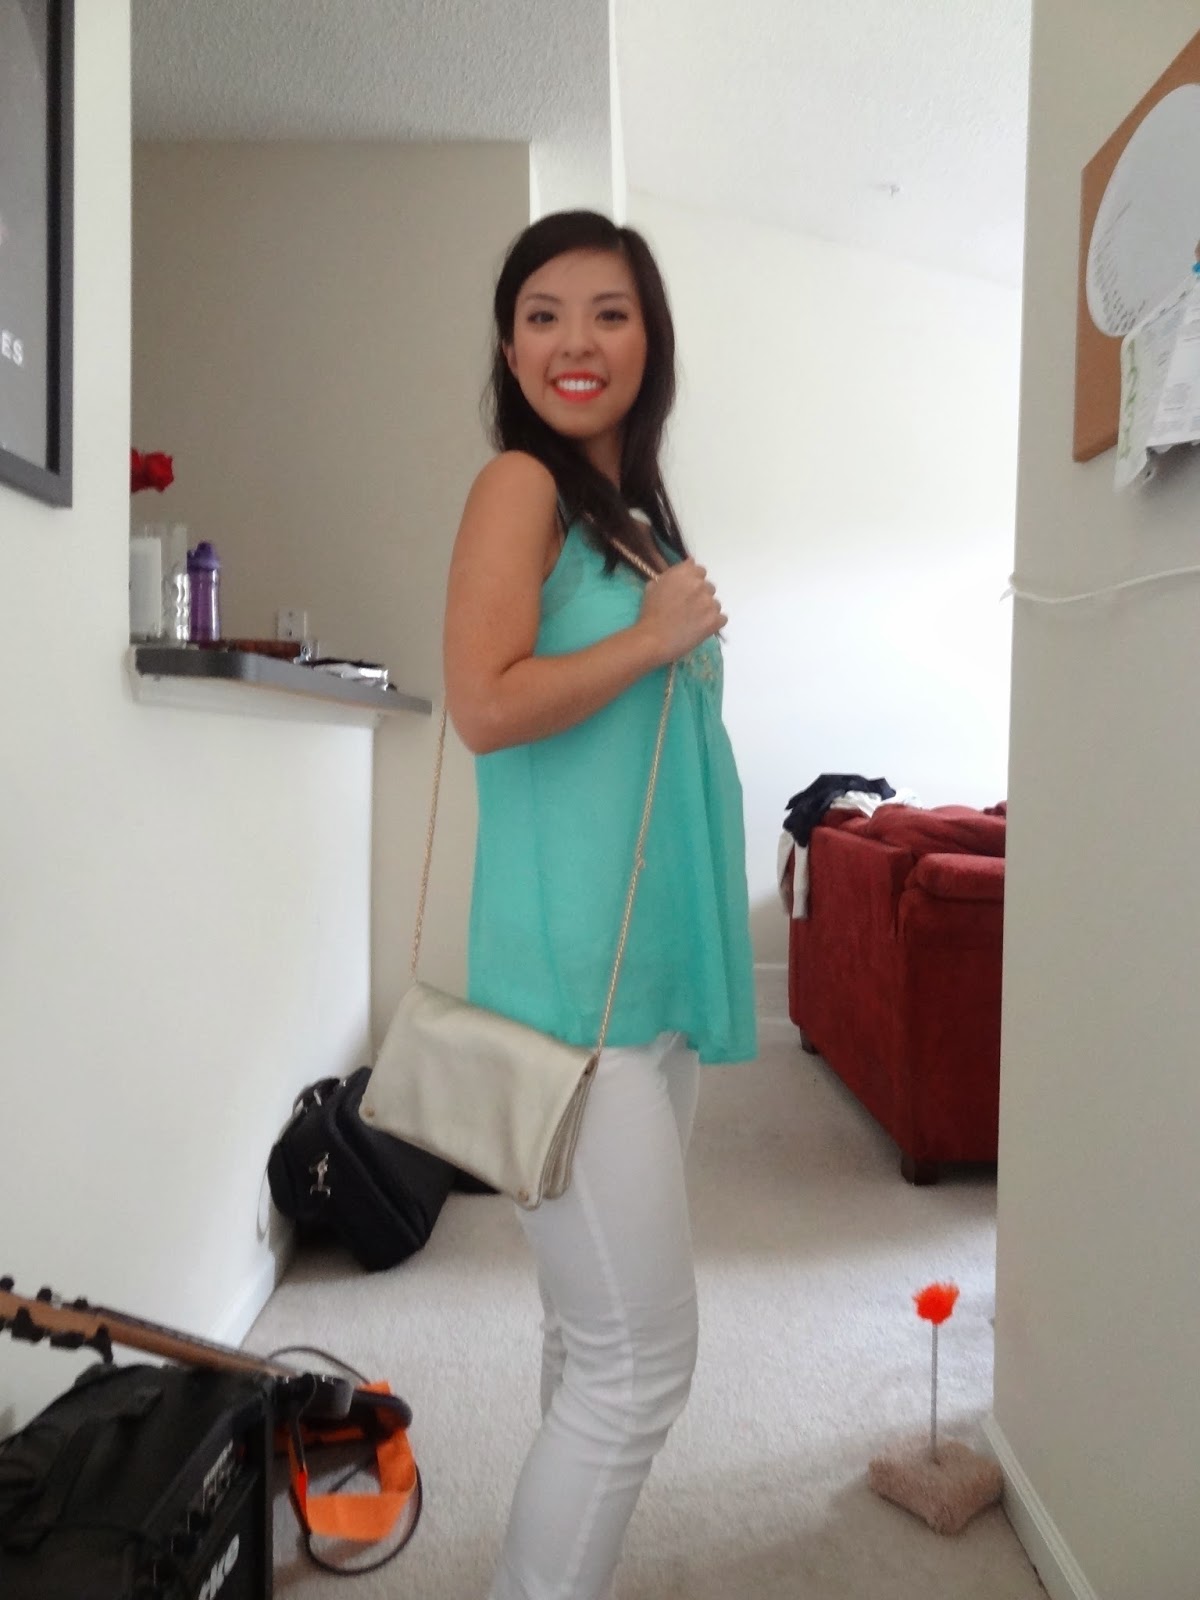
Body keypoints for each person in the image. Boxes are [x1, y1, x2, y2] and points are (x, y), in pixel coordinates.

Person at [443, 209, 757, 1600]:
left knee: (590, 1339)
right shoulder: (519, 485)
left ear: (651, 339)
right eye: (545, 314)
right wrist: (651, 637)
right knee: (641, 1368)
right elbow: (484, 704)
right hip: (579, 996)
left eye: (610, 312)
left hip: (646, 981)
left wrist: (655, 623)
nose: (577, 341)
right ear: (511, 349)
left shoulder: (628, 516)